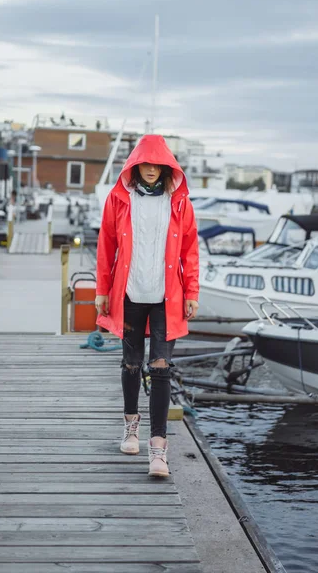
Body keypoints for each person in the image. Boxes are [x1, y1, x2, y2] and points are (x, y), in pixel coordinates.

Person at [95, 135, 199, 477]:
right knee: (130, 363)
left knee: (161, 367)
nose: (152, 169)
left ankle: (158, 450)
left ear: (167, 167)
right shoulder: (119, 199)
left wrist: (192, 292)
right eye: (146, 163)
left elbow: (190, 251)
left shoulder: (179, 202)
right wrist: (102, 289)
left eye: (158, 164)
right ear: (136, 165)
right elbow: (106, 245)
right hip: (128, 293)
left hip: (166, 297)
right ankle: (131, 428)